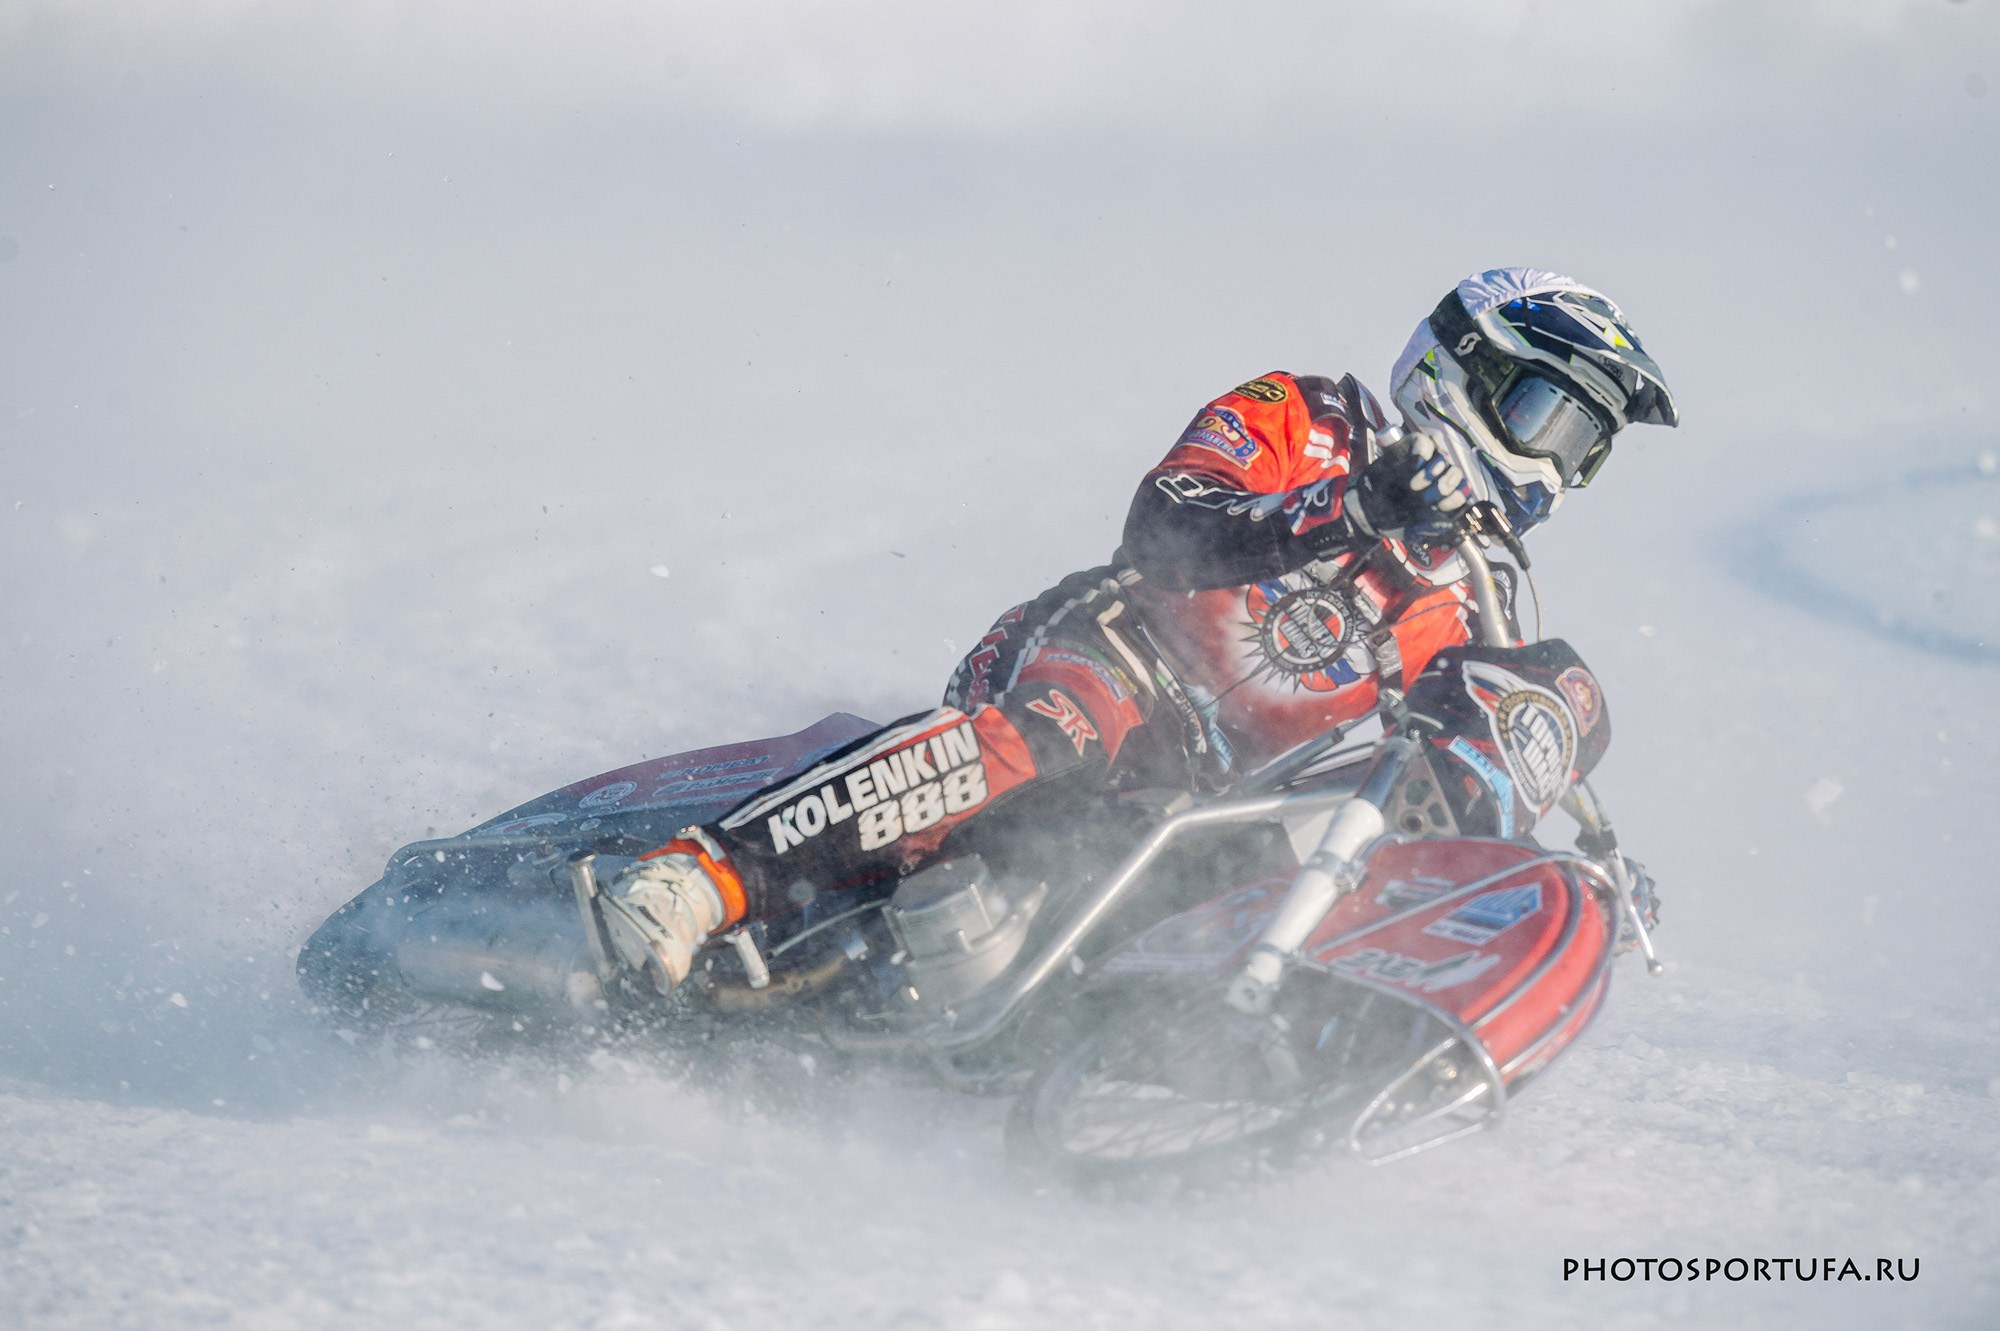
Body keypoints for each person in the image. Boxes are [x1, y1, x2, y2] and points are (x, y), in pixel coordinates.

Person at [593, 267, 1678, 996]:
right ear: (1464, 371)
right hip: (1109, 652)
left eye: (1584, 450)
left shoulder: (1474, 595)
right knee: (1057, 728)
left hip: (1216, 794)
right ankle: (698, 873)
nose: (1554, 468)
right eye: (1549, 420)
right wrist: (1344, 508)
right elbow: (1162, 527)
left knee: (1283, 855)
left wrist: (1556, 868)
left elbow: (1449, 759)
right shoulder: (1308, 417)